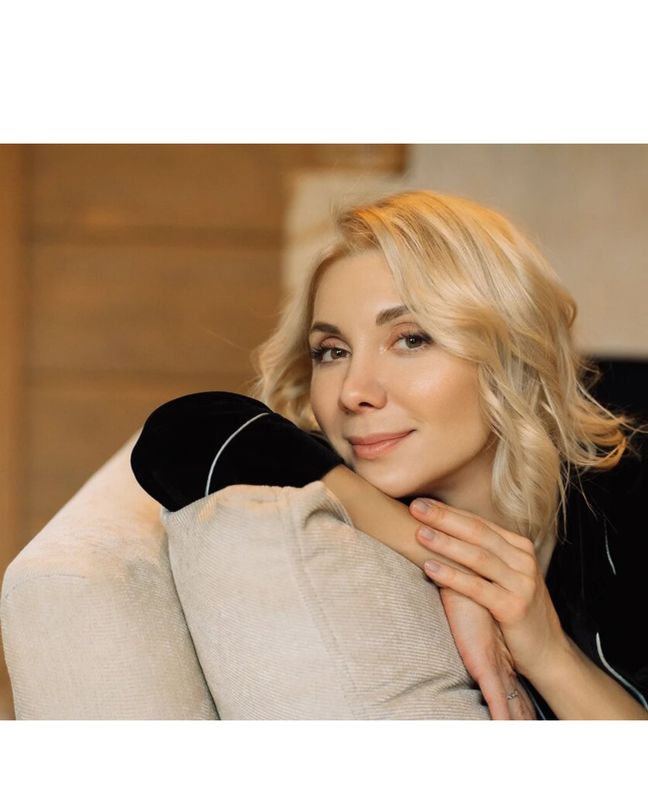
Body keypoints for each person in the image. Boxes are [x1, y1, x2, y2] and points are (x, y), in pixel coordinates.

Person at [132, 189, 648, 720]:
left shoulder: (628, 502)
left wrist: (549, 654)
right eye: (333, 351)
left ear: (511, 353)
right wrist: (445, 559)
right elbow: (177, 435)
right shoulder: (319, 470)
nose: (354, 391)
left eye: (411, 339)